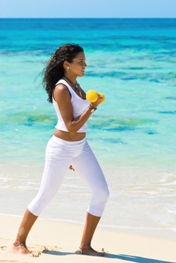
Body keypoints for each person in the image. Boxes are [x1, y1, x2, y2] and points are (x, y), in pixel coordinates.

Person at [12, 43, 109, 257]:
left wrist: (91, 104)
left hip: (80, 147)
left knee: (102, 193)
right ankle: (18, 242)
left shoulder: (77, 86)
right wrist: (93, 107)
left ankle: (85, 246)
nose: (85, 65)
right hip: (60, 148)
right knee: (46, 194)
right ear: (67, 64)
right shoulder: (62, 88)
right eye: (80, 61)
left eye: (85, 61)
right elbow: (71, 126)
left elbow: (78, 129)